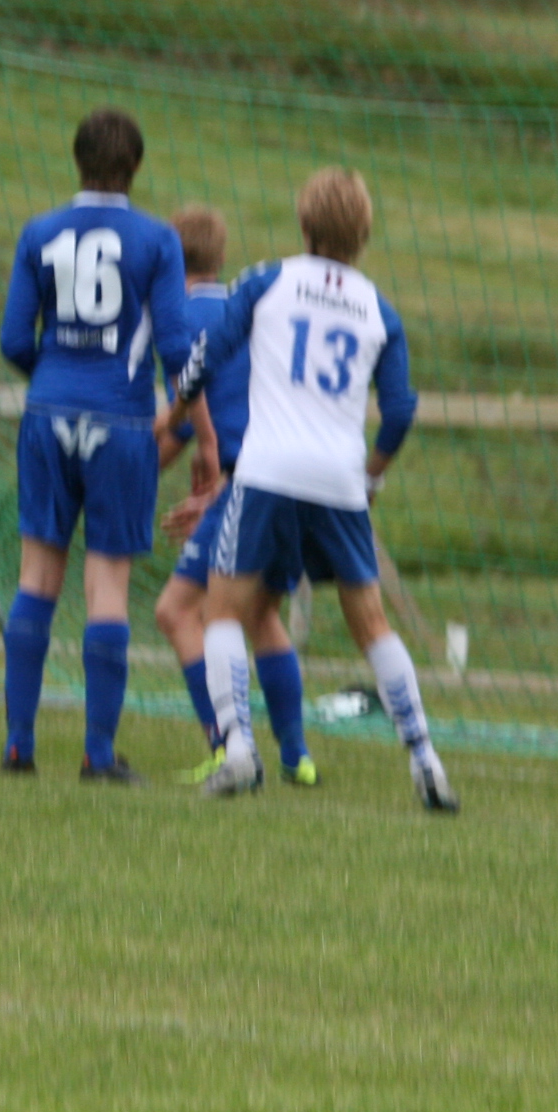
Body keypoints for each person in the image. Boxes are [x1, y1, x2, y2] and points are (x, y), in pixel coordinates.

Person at [184, 169, 454, 812]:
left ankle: (239, 747)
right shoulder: (380, 310)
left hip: (268, 470)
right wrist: (372, 474)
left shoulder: (267, 280)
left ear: (304, 226)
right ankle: (425, 758)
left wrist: (181, 402)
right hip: (339, 479)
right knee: (372, 624)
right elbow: (401, 409)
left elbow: (208, 353)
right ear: (364, 234)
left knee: (222, 611)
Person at [0, 108, 208, 785]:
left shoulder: (39, 231)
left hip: (48, 412)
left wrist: (56, 378)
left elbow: (13, 340)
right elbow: (177, 348)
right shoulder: (158, 240)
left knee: (36, 577)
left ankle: (18, 746)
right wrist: (196, 430)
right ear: (135, 167)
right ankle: (96, 754)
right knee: (107, 583)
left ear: (77, 160)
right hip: (120, 420)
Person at [151, 205, 315, 788]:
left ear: (171, 261)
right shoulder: (249, 311)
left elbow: (183, 418)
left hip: (246, 480)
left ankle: (228, 747)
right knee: (262, 611)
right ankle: (297, 757)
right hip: (292, 477)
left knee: (177, 611)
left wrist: (128, 476)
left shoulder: (178, 320)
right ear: (221, 258)